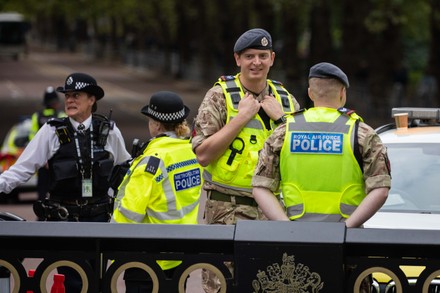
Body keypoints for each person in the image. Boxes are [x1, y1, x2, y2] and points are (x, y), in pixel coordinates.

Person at [252, 62, 391, 292]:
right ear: (343, 93)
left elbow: (260, 186)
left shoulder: (285, 131)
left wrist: (286, 227)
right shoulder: (361, 132)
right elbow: (381, 188)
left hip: (295, 247)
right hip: (348, 246)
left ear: (310, 92)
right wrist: (347, 227)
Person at [191, 28, 300, 292]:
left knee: (271, 285)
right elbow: (203, 155)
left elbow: (302, 156)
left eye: (263, 56)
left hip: (273, 213)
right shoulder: (219, 96)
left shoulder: (285, 100)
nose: (257, 63)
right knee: (223, 286)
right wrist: (241, 118)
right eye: (249, 56)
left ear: (272, 58)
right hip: (227, 211)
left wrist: (282, 121)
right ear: (237, 59)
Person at [0, 72, 131, 292]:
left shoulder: (108, 130)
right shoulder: (51, 131)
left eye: (76, 95)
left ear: (92, 100)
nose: (69, 100)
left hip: (100, 218)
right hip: (65, 219)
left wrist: (121, 207)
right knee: (74, 282)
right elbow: (20, 171)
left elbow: (126, 168)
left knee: (99, 282)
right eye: (67, 95)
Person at [112, 91, 203, 292]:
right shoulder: (191, 153)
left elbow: (129, 214)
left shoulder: (151, 161)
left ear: (156, 125)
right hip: (181, 255)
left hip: (148, 260)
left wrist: (110, 248)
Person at [30, 86, 66, 203]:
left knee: (41, 190)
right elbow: (65, 141)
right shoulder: (61, 116)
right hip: (57, 161)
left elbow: (33, 138)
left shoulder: (37, 116)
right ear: (55, 102)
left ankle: (41, 215)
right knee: (57, 189)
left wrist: (43, 158)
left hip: (42, 160)